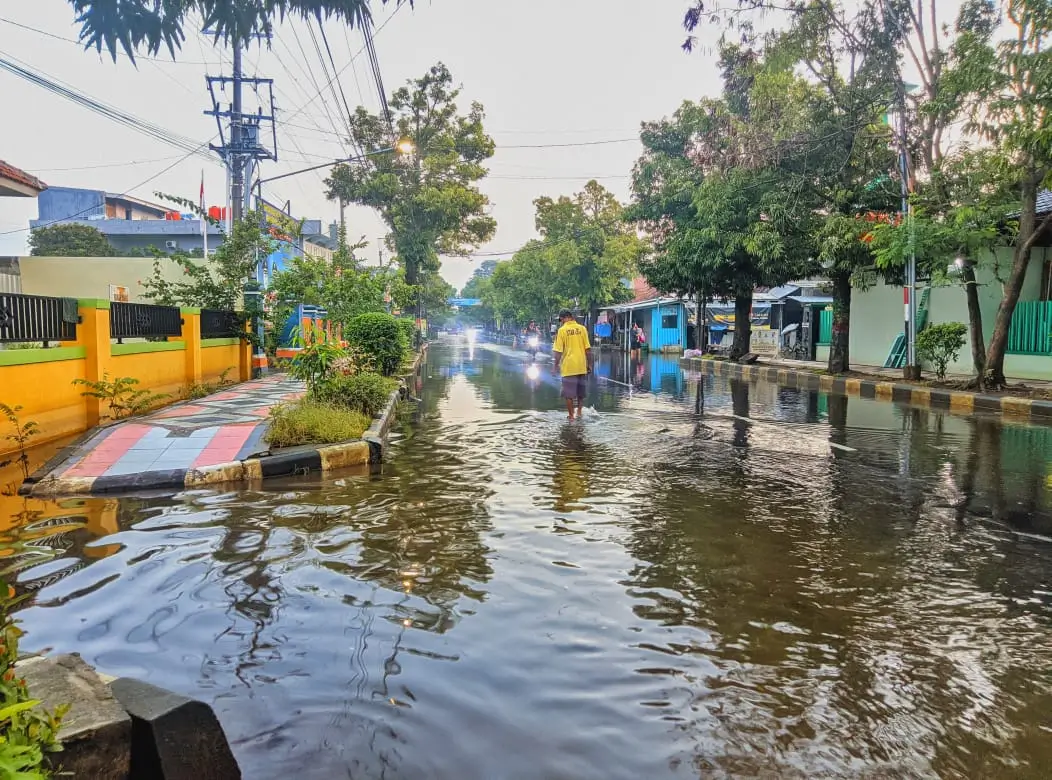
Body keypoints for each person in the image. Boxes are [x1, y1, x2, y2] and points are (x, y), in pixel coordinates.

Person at [552, 309, 593, 420]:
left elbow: (558, 351)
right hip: (581, 366)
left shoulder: (562, 330)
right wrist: (590, 364)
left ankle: (571, 416)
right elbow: (588, 349)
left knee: (568, 394)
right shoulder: (582, 329)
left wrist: (555, 367)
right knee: (581, 392)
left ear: (564, 318)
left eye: (561, 319)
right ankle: (579, 412)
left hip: (569, 367)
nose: (561, 322)